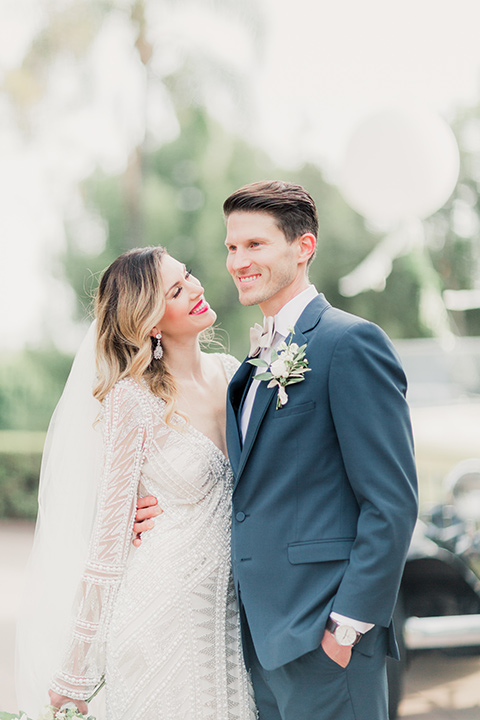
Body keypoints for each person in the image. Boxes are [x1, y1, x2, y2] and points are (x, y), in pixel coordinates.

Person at [136, 181, 418, 720]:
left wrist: (346, 627)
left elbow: (392, 501)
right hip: (261, 643)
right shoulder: (247, 368)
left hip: (326, 639)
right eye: (231, 247)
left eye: (255, 245)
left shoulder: (349, 343)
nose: (238, 261)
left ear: (303, 247)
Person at [16, 246, 257, 720]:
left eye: (187, 275)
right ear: (150, 322)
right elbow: (107, 545)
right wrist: (75, 671)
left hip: (228, 616)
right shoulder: (133, 399)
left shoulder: (233, 373)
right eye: (175, 290)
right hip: (159, 617)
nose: (196, 289)